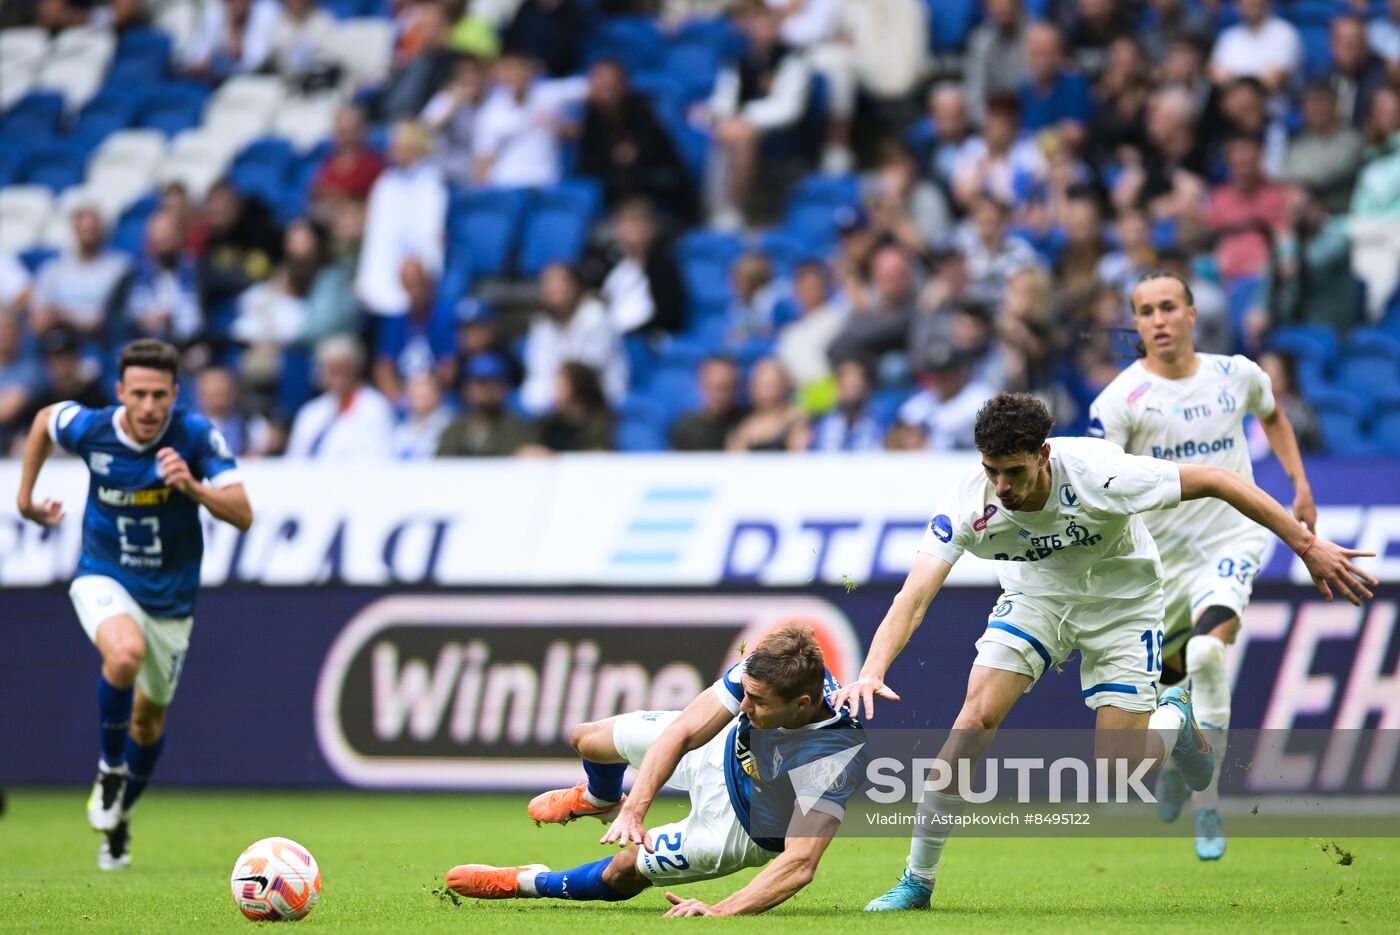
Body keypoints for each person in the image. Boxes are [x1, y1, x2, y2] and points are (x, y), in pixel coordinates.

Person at [833, 391, 1374, 911]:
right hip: (1037, 597)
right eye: (992, 470)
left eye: (1015, 472)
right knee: (972, 721)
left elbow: (1219, 479)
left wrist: (1305, 546)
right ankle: (917, 880)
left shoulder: (1102, 474)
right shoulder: (970, 502)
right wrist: (872, 669)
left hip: (1124, 602)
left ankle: (1175, 717)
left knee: (1118, 770)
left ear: (1043, 456)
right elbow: (913, 597)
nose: (1002, 486)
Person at [1088, 270, 1318, 860]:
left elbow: (1272, 414)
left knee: (1208, 652)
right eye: (1146, 311)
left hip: (1231, 540)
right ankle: (1178, 762)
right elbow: (1100, 482)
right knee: (1166, 698)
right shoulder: (1118, 402)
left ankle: (1207, 802)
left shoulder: (1234, 375)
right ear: (1137, 324)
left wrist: (1299, 484)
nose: (1159, 319)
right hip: (1154, 566)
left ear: (1192, 314)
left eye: (1169, 307)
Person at [13, 339, 253, 870]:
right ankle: (110, 769)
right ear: (121, 392)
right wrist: (25, 499)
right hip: (104, 571)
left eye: (159, 396)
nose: (148, 407)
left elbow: (242, 513)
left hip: (170, 598)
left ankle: (120, 817)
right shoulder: (93, 428)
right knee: (122, 654)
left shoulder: (194, 435)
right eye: (139, 394)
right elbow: (43, 422)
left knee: (148, 722)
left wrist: (191, 486)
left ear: (175, 395)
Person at [444, 625, 863, 917]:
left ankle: (527, 882)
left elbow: (801, 862)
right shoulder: (766, 672)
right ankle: (601, 799)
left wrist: (720, 911)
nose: (744, 706)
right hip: (721, 750)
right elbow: (682, 733)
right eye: (745, 695)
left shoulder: (833, 755)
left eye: (758, 702)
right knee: (587, 739)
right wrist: (634, 810)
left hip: (743, 825)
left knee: (623, 871)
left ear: (803, 704)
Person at [284, 334, 396, 459]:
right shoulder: (310, 413)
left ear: (355, 370)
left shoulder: (374, 408)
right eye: (330, 371)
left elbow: (381, 458)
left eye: (341, 370)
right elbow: (295, 460)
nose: (336, 379)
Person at [29, 207, 132, 339]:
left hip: (103, 342)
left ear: (103, 231)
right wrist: (78, 320)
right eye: (84, 230)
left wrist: (62, 316)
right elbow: (39, 321)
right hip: (58, 345)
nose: (88, 235)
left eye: (92, 230)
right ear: (74, 230)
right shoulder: (52, 270)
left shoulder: (120, 267)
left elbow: (103, 321)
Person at [435, 353, 537, 457]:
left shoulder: (516, 428)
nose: (487, 389)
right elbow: (440, 464)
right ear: (466, 388)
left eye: (494, 382)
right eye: (481, 382)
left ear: (504, 388)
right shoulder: (456, 427)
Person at [670, 355, 748, 452]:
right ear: (701, 383)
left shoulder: (749, 421)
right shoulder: (686, 426)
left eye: (728, 386)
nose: (721, 394)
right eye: (716, 386)